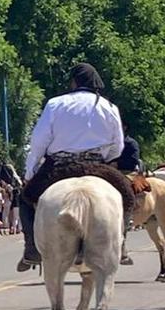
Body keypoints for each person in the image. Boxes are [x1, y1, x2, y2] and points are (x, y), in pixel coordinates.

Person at [17, 63, 135, 271]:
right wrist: (105, 157)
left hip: (59, 166)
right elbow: (117, 145)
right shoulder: (108, 107)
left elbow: (39, 141)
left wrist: (30, 170)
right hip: (96, 166)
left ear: (74, 81)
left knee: (26, 198)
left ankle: (32, 250)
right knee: (127, 196)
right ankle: (122, 244)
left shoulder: (55, 104)